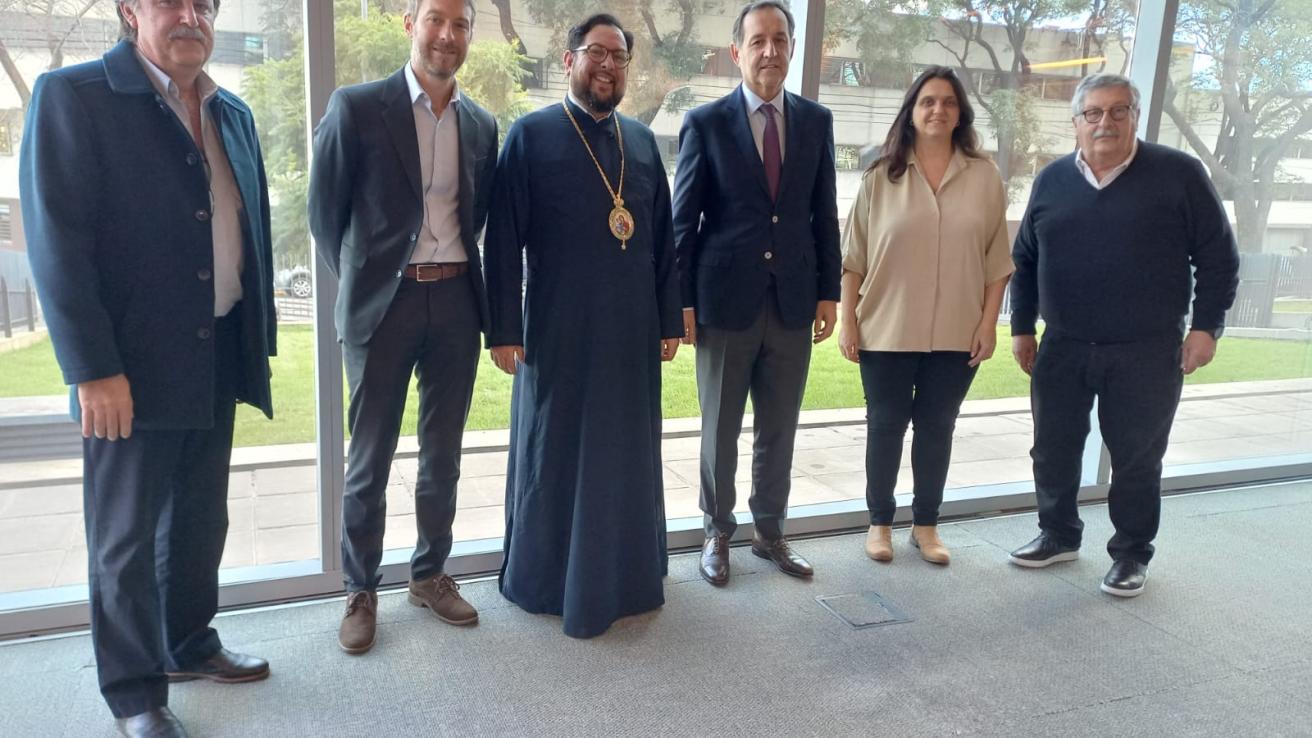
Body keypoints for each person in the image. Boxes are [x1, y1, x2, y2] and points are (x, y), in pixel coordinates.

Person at [19, 1, 277, 735]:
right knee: (125, 538)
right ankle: (134, 692)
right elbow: (57, 244)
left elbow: (247, 226)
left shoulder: (231, 113)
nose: (191, 16)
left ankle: (188, 642)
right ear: (132, 11)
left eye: (205, 5)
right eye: (171, 2)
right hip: (127, 370)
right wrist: (92, 368)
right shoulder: (73, 97)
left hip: (217, 350)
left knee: (199, 517)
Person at [483, 13, 683, 639]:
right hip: (557, 329)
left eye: (619, 57)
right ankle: (549, 579)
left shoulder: (641, 141)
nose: (608, 65)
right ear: (569, 61)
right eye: (597, 52)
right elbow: (503, 240)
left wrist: (669, 318)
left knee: (624, 451)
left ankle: (626, 578)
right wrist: (503, 329)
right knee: (557, 449)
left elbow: (662, 240)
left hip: (630, 333)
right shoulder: (531, 134)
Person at [308, 0, 498, 654]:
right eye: (435, 19)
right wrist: (368, 281)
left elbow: (477, 215)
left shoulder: (481, 124)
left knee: (443, 453)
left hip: (456, 302)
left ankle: (428, 573)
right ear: (409, 24)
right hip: (383, 306)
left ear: (469, 34)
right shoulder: (356, 107)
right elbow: (324, 217)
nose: (447, 35)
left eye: (460, 24)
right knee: (370, 456)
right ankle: (360, 589)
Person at [1008, 73, 1239, 597]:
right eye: (1092, 113)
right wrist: (1022, 327)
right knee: (1052, 449)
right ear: (1076, 123)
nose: (1105, 122)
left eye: (1118, 111)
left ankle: (1131, 553)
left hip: (1147, 349)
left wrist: (1206, 327)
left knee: (1136, 458)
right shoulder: (1051, 180)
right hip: (1064, 344)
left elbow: (1219, 257)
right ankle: (1058, 534)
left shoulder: (1179, 174)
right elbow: (1024, 260)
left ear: (1136, 116)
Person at [672, 0, 841, 586]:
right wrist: (682, 301)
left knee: (780, 425)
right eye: (758, 41)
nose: (770, 51)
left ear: (792, 48)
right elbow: (683, 221)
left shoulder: (816, 121)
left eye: (780, 40)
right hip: (723, 302)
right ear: (736, 51)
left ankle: (770, 531)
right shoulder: (705, 123)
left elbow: (824, 213)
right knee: (719, 427)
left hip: (793, 299)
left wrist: (828, 291)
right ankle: (717, 531)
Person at [838, 67, 1013, 566]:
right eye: (928, 101)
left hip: (958, 330)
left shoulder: (984, 177)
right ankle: (879, 523)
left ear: (961, 114)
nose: (939, 110)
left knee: (938, 427)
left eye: (949, 102)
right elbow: (853, 259)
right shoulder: (880, 176)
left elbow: (997, 262)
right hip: (886, 327)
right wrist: (849, 321)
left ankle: (927, 526)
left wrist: (987, 323)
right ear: (911, 112)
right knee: (886, 426)